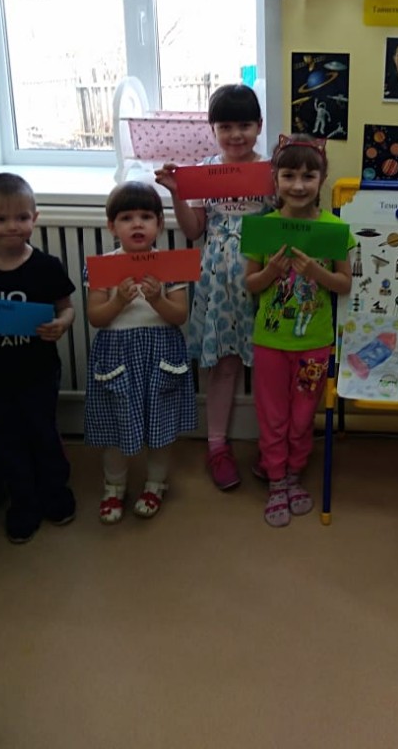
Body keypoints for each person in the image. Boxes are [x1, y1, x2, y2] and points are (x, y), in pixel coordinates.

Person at [156, 83, 269, 491]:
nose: (236, 135)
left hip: (264, 277)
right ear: (213, 129)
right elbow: (194, 230)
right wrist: (177, 195)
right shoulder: (205, 169)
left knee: (271, 366)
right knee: (224, 365)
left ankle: (272, 446)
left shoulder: (272, 169)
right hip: (219, 283)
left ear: (259, 126)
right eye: (225, 127)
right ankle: (217, 446)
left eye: (244, 125)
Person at [0, 173, 76, 543]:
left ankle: (55, 492)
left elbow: (66, 307)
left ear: (34, 218)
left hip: (38, 374)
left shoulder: (46, 266)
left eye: (22, 217)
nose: (12, 226)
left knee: (43, 434)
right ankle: (23, 502)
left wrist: (62, 324)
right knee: (5, 442)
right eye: (1, 218)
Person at [244, 134, 354, 527]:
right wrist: (272, 272)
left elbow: (344, 284)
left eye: (308, 176)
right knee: (273, 415)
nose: (298, 185)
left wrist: (315, 272)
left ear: (322, 179)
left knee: (304, 415)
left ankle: (294, 474)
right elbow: (250, 284)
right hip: (270, 342)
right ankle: (276, 479)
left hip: (314, 344)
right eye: (289, 175)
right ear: (275, 178)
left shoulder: (334, 228)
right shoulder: (262, 228)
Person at [84, 182, 196, 523]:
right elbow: (95, 318)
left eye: (146, 216)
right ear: (111, 226)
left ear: (159, 224)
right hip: (117, 355)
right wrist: (118, 300)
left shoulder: (171, 264)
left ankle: (155, 484)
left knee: (160, 427)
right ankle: (114, 487)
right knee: (116, 428)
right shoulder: (103, 267)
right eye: (126, 217)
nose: (137, 224)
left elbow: (179, 316)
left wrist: (157, 298)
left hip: (160, 353)